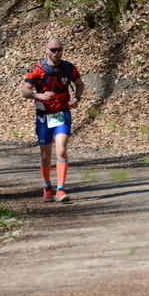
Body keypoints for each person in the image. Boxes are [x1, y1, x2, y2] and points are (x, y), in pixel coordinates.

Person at [20, 38, 85, 202]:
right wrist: (38, 95)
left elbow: (80, 84)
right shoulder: (38, 69)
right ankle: (47, 186)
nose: (56, 53)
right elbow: (25, 91)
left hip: (62, 114)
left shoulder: (68, 68)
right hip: (44, 117)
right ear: (47, 50)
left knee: (61, 149)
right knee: (45, 154)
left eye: (59, 50)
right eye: (53, 50)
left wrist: (77, 98)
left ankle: (61, 189)